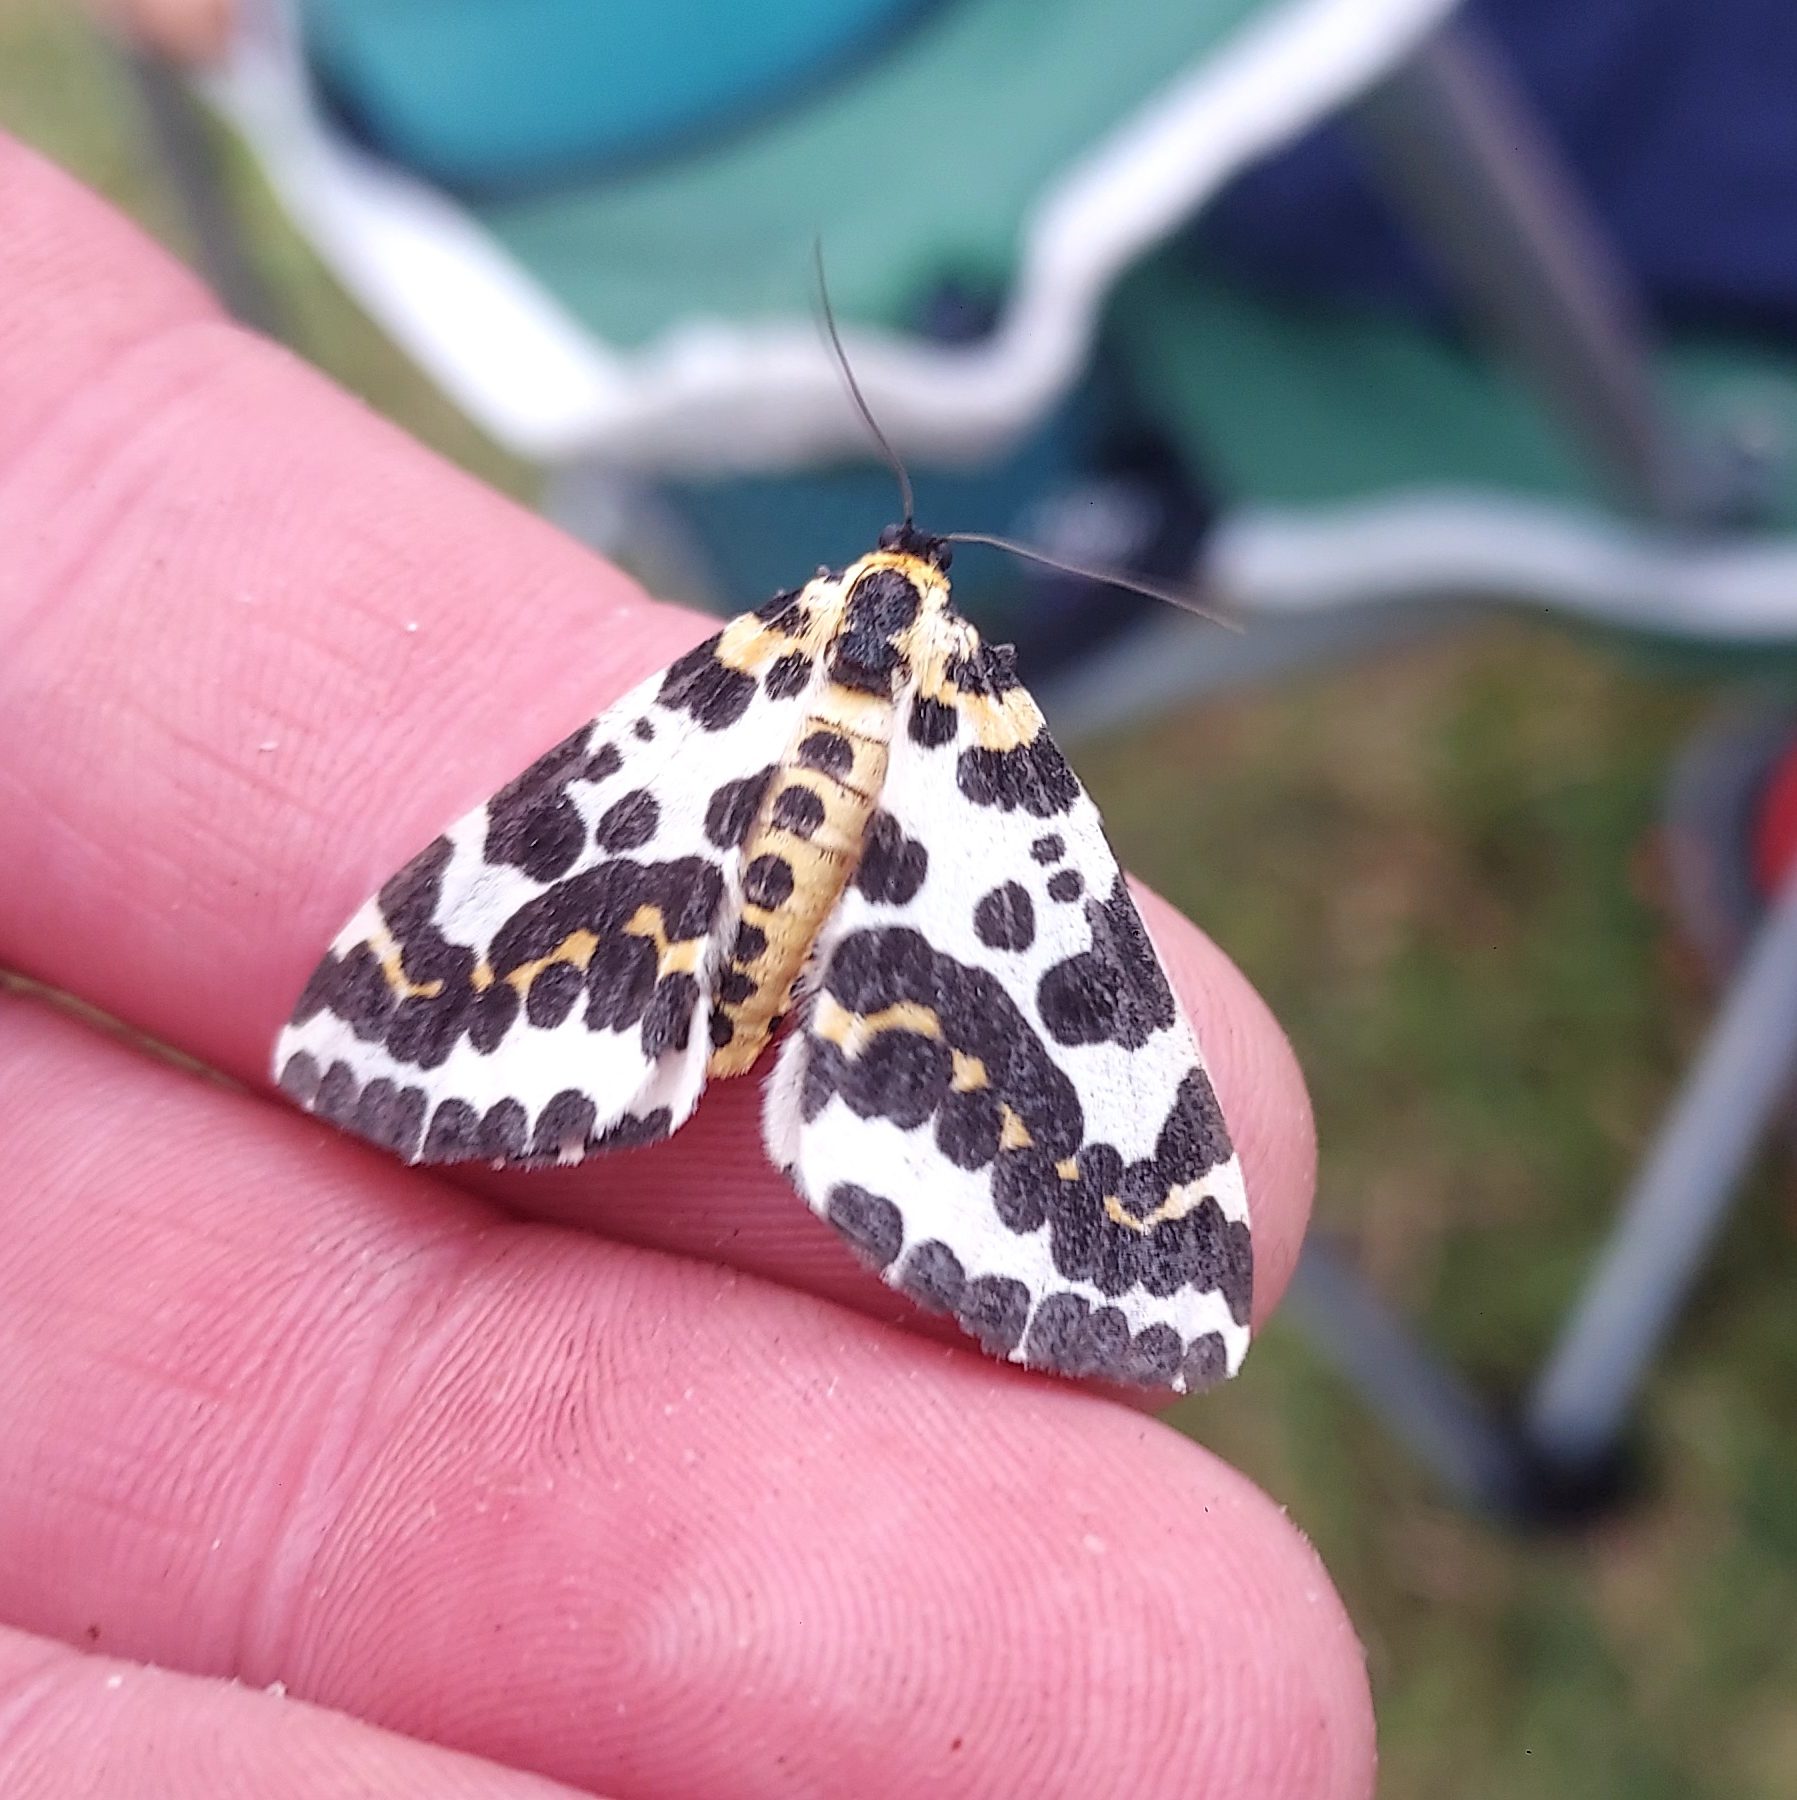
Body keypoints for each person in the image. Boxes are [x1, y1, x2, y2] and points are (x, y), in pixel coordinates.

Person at [0, 52, 1370, 1800]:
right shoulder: (982, 714)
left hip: (715, 784)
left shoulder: (764, 646)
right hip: (904, 832)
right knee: (1040, 932)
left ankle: (938, 1163)